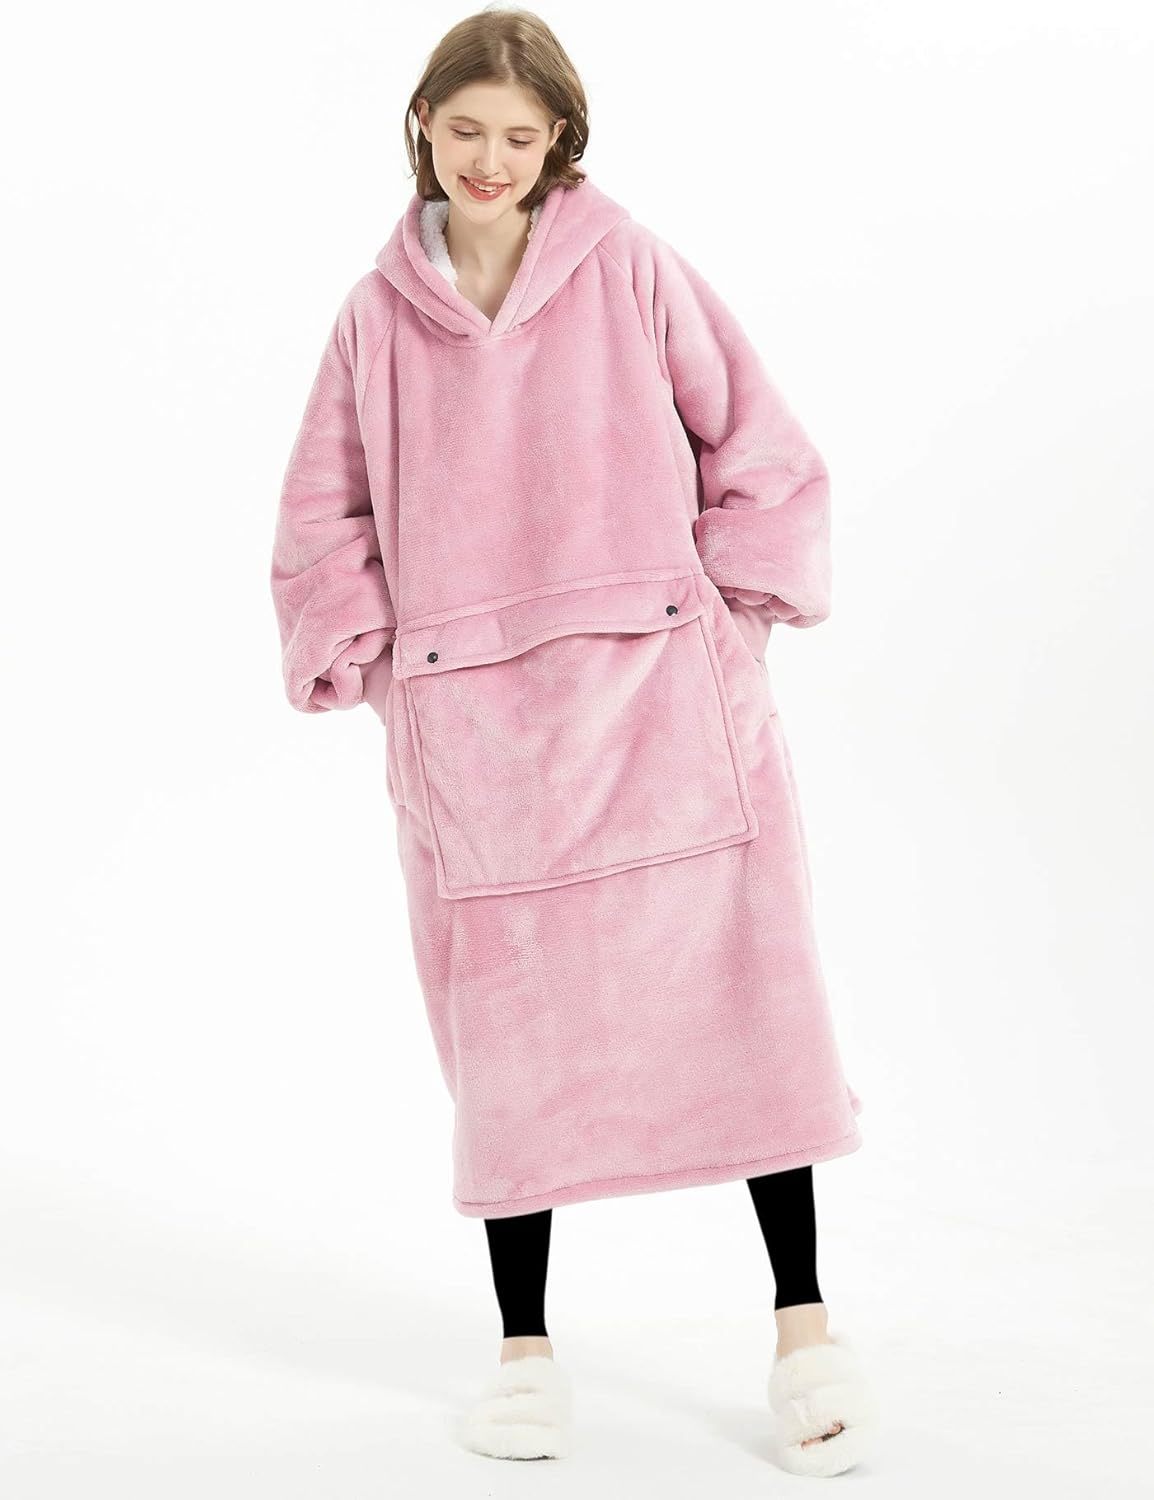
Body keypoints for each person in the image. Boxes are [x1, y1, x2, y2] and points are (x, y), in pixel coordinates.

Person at [270, 6, 877, 1477]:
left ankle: (804, 1330)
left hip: (666, 707)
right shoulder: (372, 320)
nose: (488, 158)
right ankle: (524, 1354)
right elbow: (322, 517)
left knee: (748, 999)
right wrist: (381, 669)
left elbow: (764, 451)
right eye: (464, 129)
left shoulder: (631, 267)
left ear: (559, 144)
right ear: (423, 128)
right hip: (479, 735)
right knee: (510, 1042)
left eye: (518, 135)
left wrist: (729, 622)